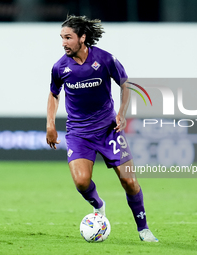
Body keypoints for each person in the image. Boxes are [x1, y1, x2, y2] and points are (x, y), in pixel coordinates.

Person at [46, 15, 158, 242]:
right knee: (81, 182)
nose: (64, 43)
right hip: (79, 134)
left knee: (129, 181)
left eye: (68, 37)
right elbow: (54, 94)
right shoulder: (60, 67)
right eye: (62, 38)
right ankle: (99, 205)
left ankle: (143, 229)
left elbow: (125, 85)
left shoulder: (105, 59)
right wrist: (50, 125)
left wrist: (122, 114)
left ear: (83, 38)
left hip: (109, 130)